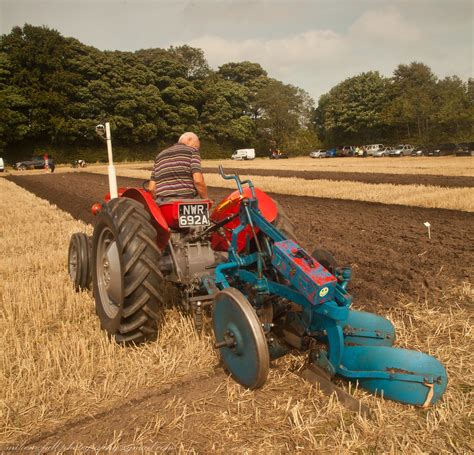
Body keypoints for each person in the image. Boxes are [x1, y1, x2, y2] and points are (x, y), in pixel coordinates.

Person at [148, 132, 209, 201]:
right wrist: (206, 200)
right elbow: (198, 181)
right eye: (197, 146)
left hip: (162, 202)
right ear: (189, 139)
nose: (197, 149)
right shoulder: (192, 151)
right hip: (184, 201)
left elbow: (151, 188)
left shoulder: (159, 156)